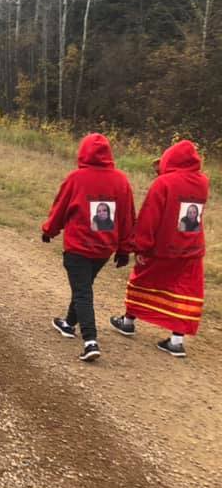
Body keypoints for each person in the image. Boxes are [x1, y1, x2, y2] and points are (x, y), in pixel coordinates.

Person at [111, 140, 210, 358]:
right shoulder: (203, 182)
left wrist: (141, 247)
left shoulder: (163, 183)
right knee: (184, 290)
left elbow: (149, 217)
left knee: (142, 280)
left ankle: (127, 321)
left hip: (162, 247)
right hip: (191, 248)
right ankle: (176, 341)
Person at [42, 133, 135, 362]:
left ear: (83, 152)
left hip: (78, 248)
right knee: (83, 286)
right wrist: (124, 249)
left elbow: (60, 208)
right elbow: (127, 217)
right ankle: (68, 323)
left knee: (83, 291)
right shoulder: (121, 181)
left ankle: (90, 341)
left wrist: (49, 230)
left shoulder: (76, 178)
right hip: (104, 250)